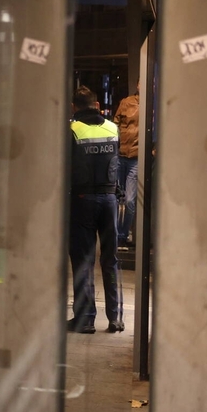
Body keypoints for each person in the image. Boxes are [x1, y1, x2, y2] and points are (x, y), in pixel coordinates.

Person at [68, 86, 123, 334]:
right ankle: (116, 318)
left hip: (82, 200)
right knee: (110, 259)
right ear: (97, 104)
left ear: (74, 106)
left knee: (83, 261)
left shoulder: (71, 130)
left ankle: (86, 319)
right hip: (110, 199)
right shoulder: (112, 128)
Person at [113, 89, 139, 247]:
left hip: (136, 157)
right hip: (120, 154)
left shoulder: (153, 104)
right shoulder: (126, 102)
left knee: (129, 200)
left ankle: (122, 234)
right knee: (115, 198)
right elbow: (116, 123)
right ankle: (114, 233)